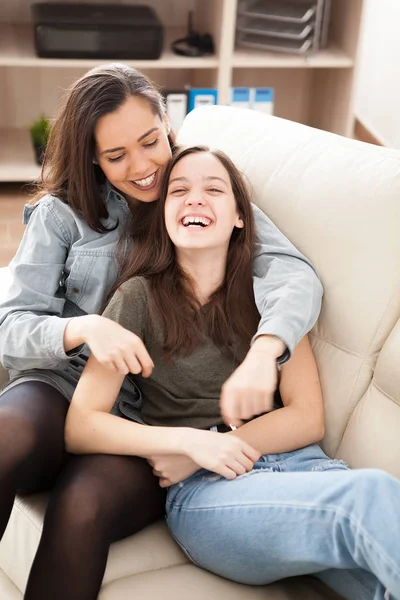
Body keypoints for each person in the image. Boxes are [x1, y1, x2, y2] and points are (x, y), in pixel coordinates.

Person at [0, 64, 323, 599]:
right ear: (93, 161)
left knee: (85, 503)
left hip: (141, 418)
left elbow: (293, 274)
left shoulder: (193, 190)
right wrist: (83, 330)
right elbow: (10, 323)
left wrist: (268, 349)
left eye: (151, 142)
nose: (144, 167)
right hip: (61, 390)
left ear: (167, 126)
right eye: (116, 156)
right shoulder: (63, 216)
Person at [66, 146, 400, 600]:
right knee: (372, 495)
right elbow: (82, 424)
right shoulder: (137, 298)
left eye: (213, 190)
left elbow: (307, 418)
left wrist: (222, 441)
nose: (194, 199)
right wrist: (189, 443)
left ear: (240, 216)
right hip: (208, 493)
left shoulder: (275, 296)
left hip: (306, 470)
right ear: (163, 213)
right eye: (179, 191)